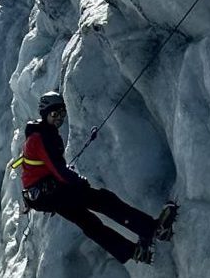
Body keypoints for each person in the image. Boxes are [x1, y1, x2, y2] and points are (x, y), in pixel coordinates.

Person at [14, 92, 175, 264]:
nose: (59, 118)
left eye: (62, 114)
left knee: (88, 223)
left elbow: (48, 168)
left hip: (44, 195)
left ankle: (134, 252)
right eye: (54, 114)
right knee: (104, 201)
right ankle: (152, 229)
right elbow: (58, 170)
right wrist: (77, 181)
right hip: (50, 192)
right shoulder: (41, 138)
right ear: (44, 114)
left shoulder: (42, 134)